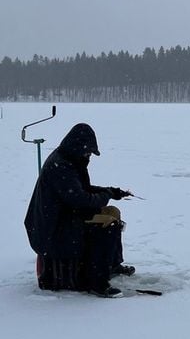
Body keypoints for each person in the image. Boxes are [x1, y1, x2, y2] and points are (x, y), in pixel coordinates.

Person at [24, 122, 135, 298]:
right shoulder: (61, 166)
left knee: (112, 212)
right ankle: (97, 282)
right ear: (78, 147)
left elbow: (81, 190)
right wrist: (104, 195)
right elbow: (80, 200)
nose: (88, 156)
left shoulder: (68, 160)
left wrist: (110, 192)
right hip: (52, 230)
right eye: (88, 152)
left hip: (63, 217)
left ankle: (112, 264)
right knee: (108, 225)